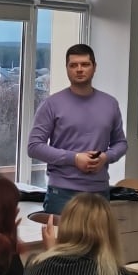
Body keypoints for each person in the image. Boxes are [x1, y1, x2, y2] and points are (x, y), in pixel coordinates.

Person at [28, 44, 128, 215]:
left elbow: (121, 143)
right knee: (60, 234)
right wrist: (74, 159)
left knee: (99, 235)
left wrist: (105, 157)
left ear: (94, 67)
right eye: (73, 65)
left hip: (99, 192)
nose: (79, 69)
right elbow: (34, 147)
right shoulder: (51, 104)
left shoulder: (110, 104)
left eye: (85, 64)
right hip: (62, 193)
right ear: (67, 69)